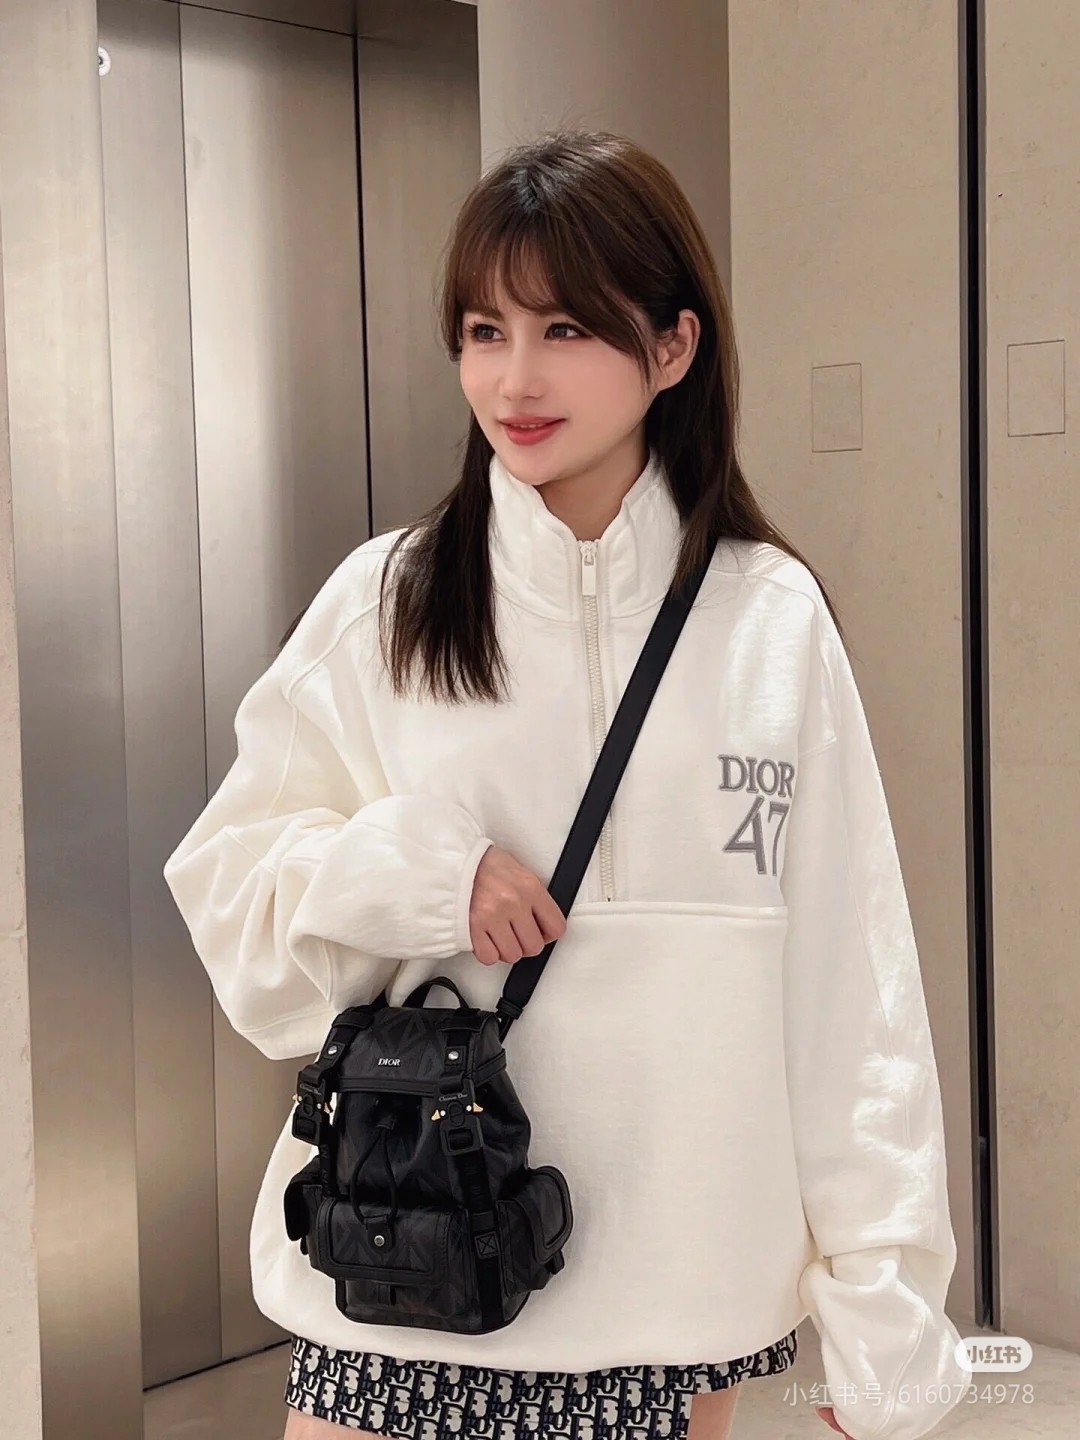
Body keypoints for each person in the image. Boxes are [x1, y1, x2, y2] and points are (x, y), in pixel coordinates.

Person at [163, 130, 973, 1440]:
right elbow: (230, 898)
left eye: (565, 329)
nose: (515, 378)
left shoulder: (769, 620)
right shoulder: (388, 603)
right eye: (485, 331)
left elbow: (849, 981)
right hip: (409, 1272)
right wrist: (423, 874)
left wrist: (885, 1309)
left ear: (674, 347)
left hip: (673, 1299)